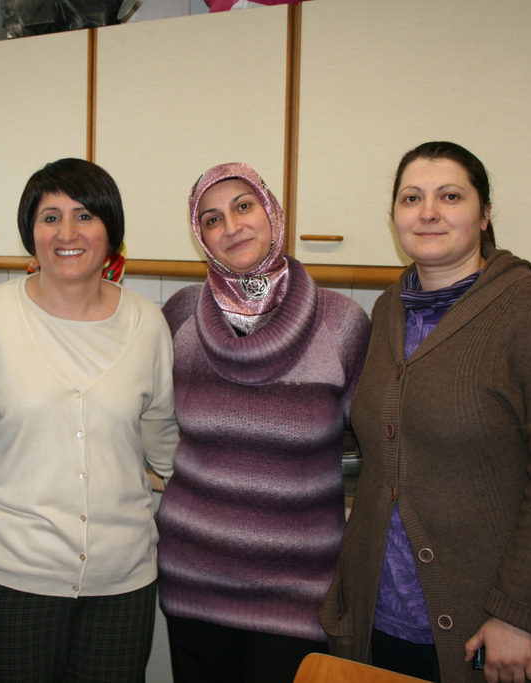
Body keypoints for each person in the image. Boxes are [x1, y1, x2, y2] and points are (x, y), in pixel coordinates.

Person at [321, 141, 531, 683]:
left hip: (489, 629)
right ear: (394, 216)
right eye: (411, 198)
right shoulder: (389, 308)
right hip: (381, 619)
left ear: (484, 213)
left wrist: (517, 614)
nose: (428, 212)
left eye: (450, 196)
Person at [0, 158, 179, 683]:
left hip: (122, 582)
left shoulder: (147, 323)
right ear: (30, 232)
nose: (67, 233)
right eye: (50, 217)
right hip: (9, 575)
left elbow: (163, 440)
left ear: (110, 231)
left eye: (84, 215)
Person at [154, 162, 371, 683]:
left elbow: (376, 447)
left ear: (272, 211)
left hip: (298, 592)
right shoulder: (180, 317)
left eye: (243, 206)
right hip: (193, 580)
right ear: (200, 235)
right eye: (212, 219)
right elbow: (151, 420)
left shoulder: (341, 324)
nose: (231, 227)